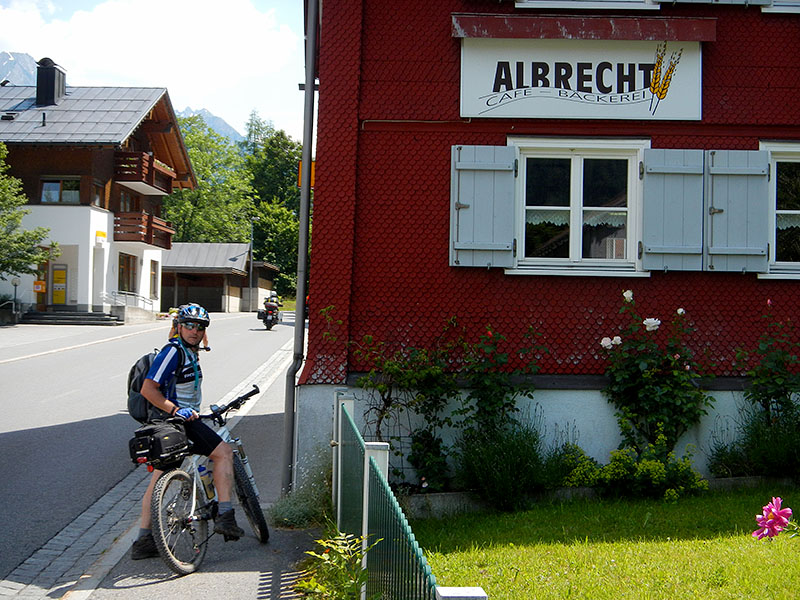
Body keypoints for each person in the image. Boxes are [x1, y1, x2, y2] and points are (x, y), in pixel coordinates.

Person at [130, 303, 243, 560]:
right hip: (177, 422)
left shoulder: (190, 352)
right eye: (189, 325)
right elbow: (149, 389)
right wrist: (176, 410)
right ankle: (226, 516)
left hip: (175, 422)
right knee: (224, 453)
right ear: (178, 327)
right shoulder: (173, 351)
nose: (194, 330)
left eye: (200, 327)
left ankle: (144, 541)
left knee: (157, 481)